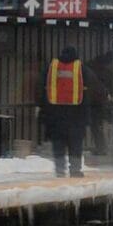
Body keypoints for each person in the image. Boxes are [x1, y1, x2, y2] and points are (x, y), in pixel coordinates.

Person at [38, 46, 103, 178]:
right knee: (76, 143)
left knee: (58, 143)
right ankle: (75, 170)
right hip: (77, 115)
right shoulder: (82, 69)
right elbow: (96, 86)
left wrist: (42, 108)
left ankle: (60, 171)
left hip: (55, 114)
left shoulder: (51, 68)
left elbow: (40, 86)